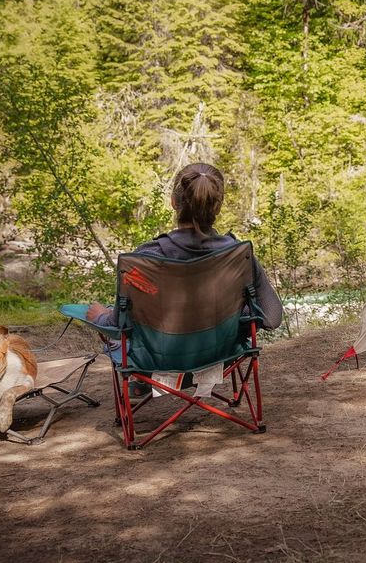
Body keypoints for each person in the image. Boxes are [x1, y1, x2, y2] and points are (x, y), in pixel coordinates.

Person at [87, 163, 283, 396]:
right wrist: (232, 321)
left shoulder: (145, 258)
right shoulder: (238, 256)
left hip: (156, 365)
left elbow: (119, 325)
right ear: (218, 206)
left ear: (172, 201)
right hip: (222, 357)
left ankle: (142, 383)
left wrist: (99, 315)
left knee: (123, 338)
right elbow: (272, 318)